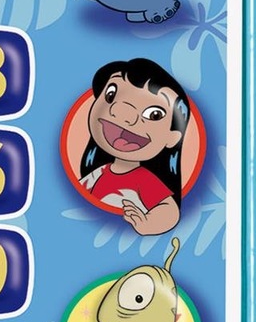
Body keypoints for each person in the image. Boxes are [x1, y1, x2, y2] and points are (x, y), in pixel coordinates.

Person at [74, 57, 194, 236]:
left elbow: (170, 210)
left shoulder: (144, 180)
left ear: (173, 137)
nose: (123, 114)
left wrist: (148, 225)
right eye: (111, 95)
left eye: (154, 114)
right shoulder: (98, 173)